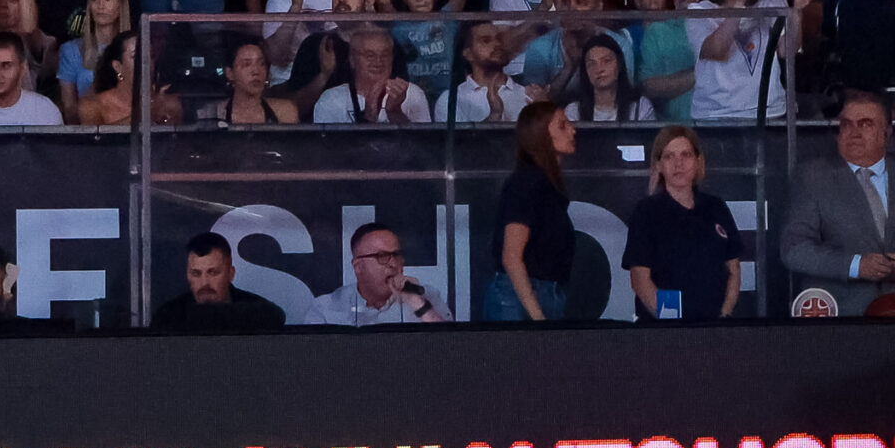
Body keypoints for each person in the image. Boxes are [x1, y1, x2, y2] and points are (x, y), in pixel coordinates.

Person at [779, 90, 895, 316]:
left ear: (887, 132)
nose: (854, 133)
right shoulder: (812, 177)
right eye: (846, 124)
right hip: (841, 317)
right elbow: (793, 249)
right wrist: (856, 266)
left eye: (866, 124)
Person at [622, 126, 742, 321]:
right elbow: (640, 278)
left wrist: (724, 317)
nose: (678, 163)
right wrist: (673, 325)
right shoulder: (647, 212)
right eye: (669, 156)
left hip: (714, 327)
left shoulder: (715, 207)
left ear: (698, 161)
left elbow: (733, 269)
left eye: (686, 155)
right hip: (664, 329)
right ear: (659, 165)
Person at [487, 101, 576, 321]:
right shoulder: (527, 182)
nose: (573, 131)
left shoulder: (544, 184)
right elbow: (512, 256)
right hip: (520, 297)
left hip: (541, 292)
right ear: (541, 134)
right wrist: (536, 315)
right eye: (562, 125)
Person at [300, 222, 450, 326]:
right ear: (358, 266)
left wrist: (416, 302)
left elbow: (449, 347)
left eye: (396, 255)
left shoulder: (426, 297)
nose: (393, 263)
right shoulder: (326, 308)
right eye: (382, 256)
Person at [150, 232, 287, 331]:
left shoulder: (259, 313)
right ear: (187, 275)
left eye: (213, 273)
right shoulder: (168, 317)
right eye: (196, 274)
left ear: (230, 274)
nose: (204, 283)